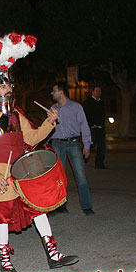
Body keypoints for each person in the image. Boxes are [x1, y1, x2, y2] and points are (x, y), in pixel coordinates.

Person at [0, 32, 78, 272]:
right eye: (2, 85)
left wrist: (49, 122)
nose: (7, 88)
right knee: (2, 216)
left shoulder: (17, 113)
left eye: (9, 83)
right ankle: (5, 259)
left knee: (37, 208)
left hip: (21, 171)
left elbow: (31, 138)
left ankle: (53, 254)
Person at [50, 81, 95, 215]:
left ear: (61, 92)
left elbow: (84, 126)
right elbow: (49, 126)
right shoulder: (53, 108)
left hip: (73, 143)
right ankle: (61, 205)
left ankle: (87, 206)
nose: (51, 93)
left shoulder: (76, 107)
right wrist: (46, 140)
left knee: (80, 175)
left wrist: (87, 145)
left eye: (54, 90)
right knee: (59, 176)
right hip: (57, 143)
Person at [83, 85, 107, 169]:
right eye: (96, 91)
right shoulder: (88, 102)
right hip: (93, 128)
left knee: (102, 146)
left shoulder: (101, 102)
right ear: (93, 92)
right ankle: (80, 160)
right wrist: (92, 124)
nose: (98, 93)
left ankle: (99, 164)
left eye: (99, 91)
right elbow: (87, 114)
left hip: (101, 127)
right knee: (90, 145)